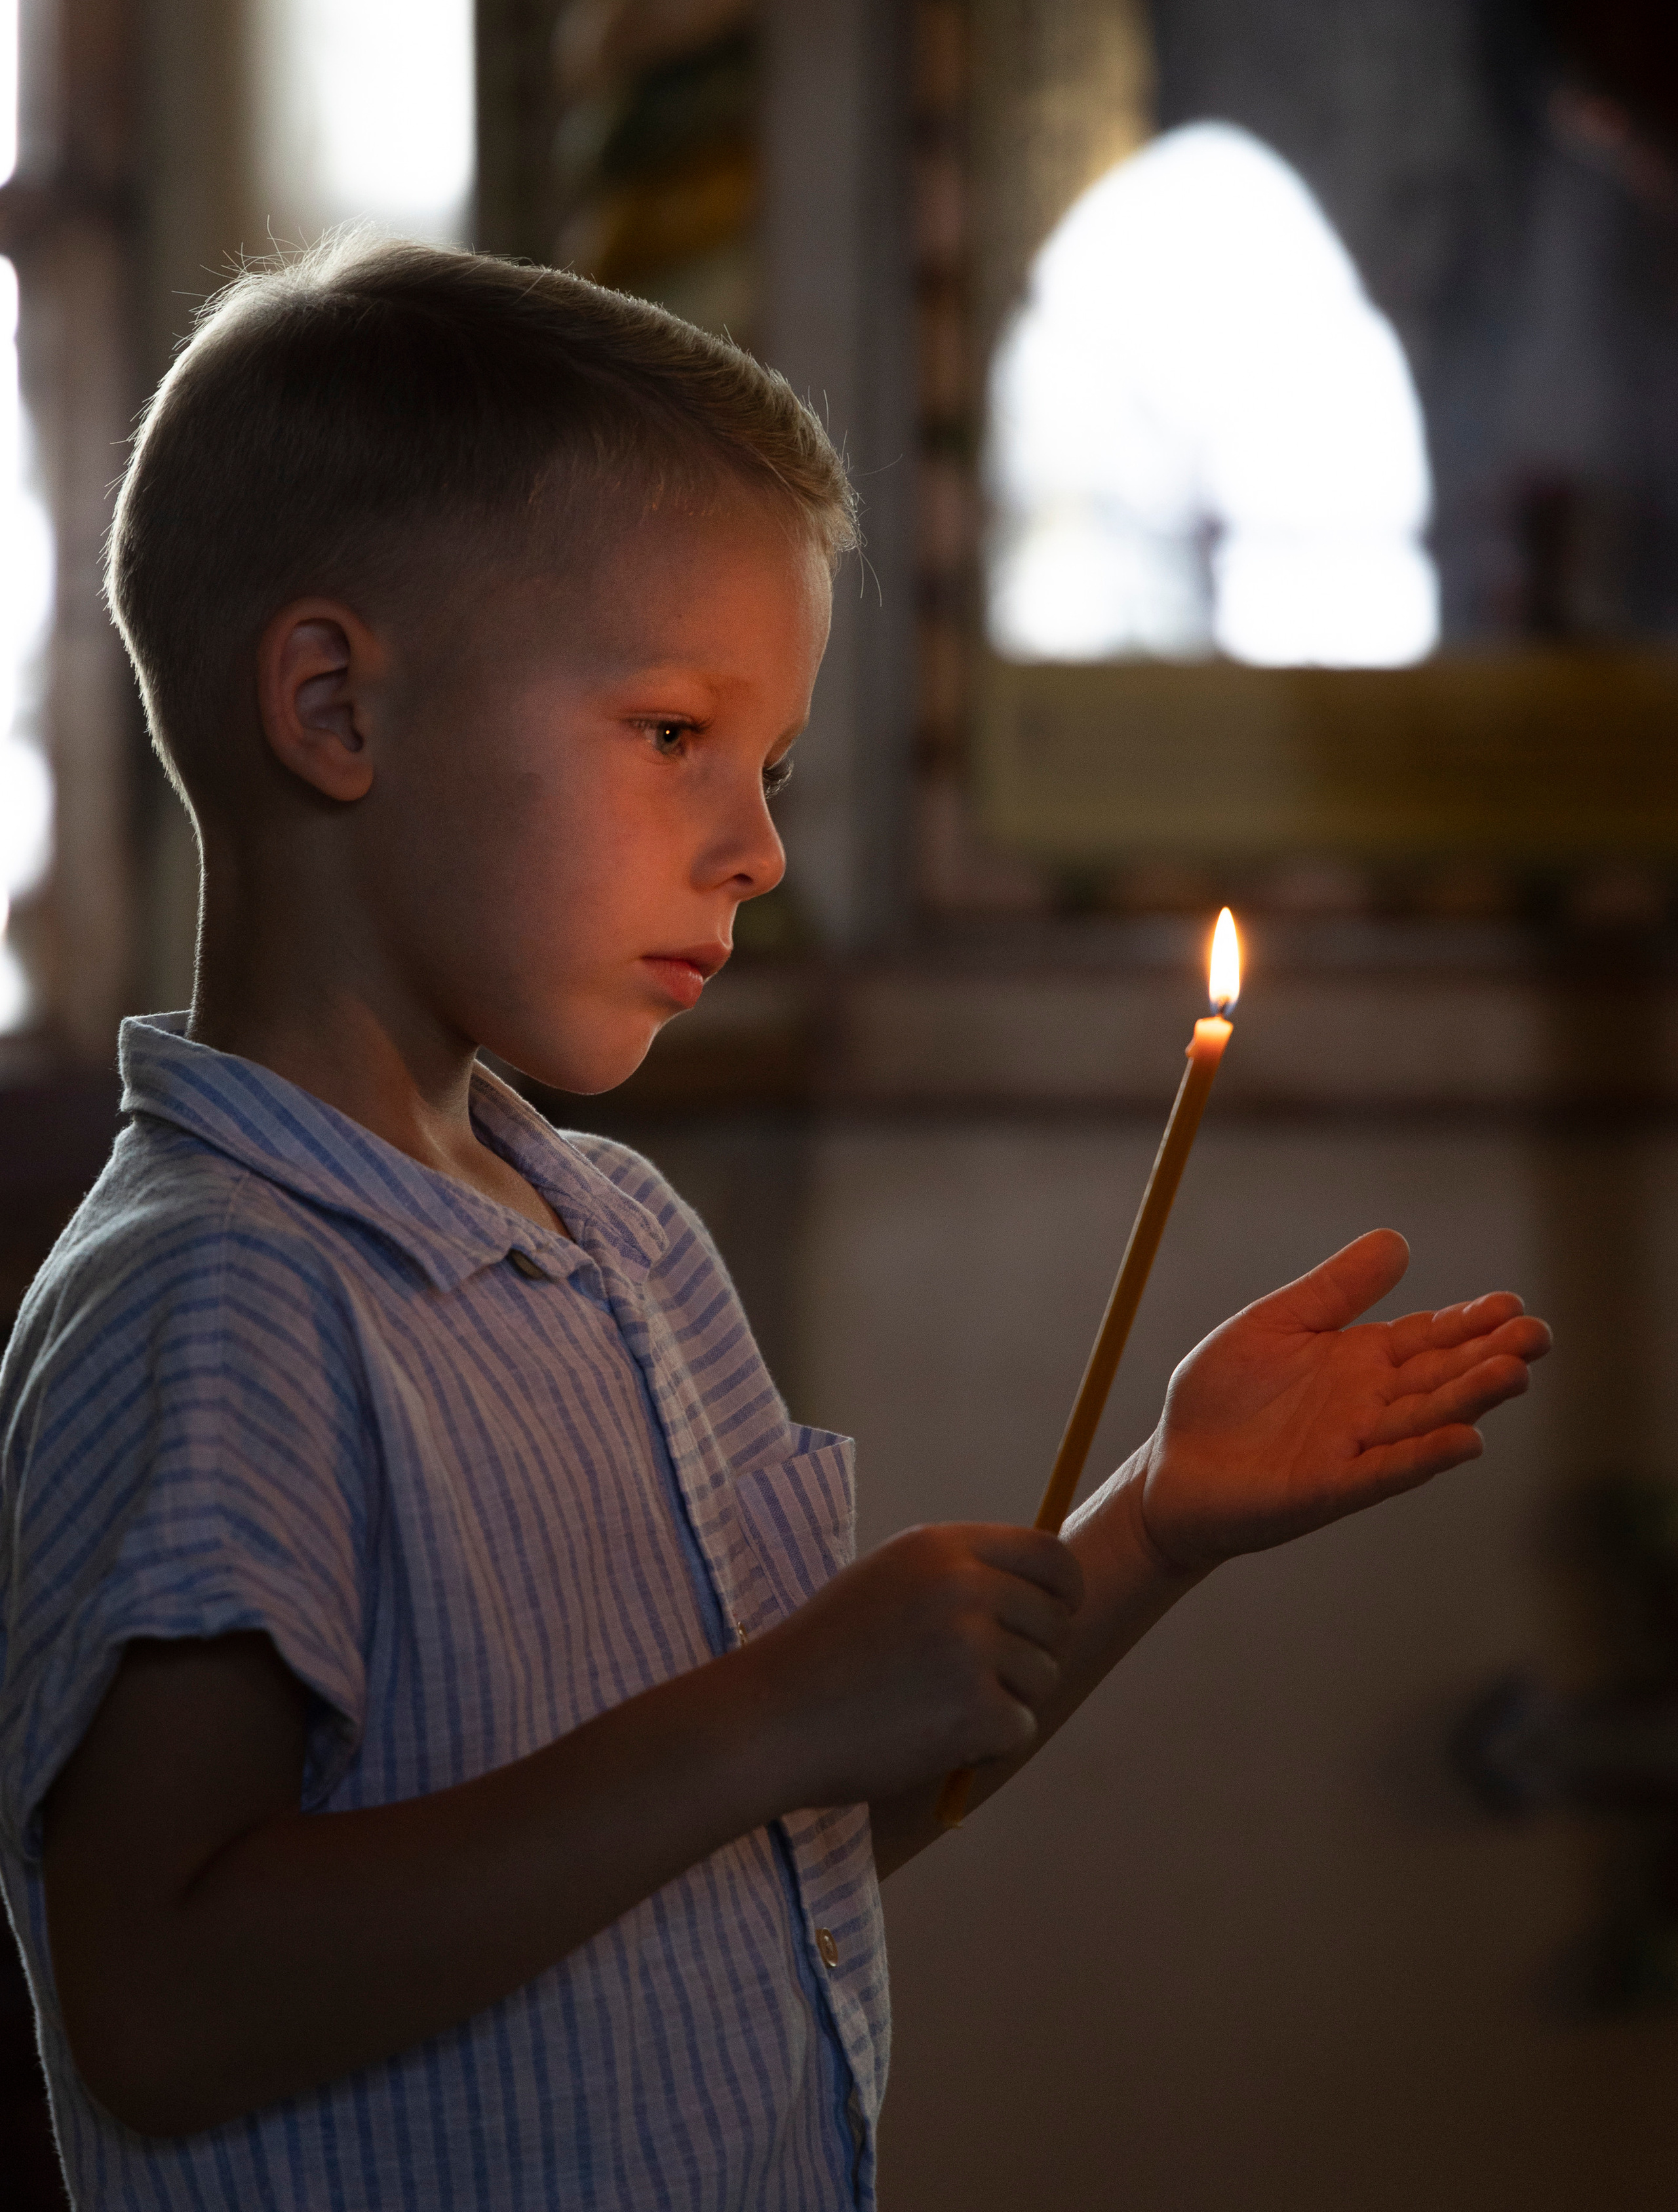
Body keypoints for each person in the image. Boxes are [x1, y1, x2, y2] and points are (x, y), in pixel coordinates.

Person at [0, 237, 1550, 2212]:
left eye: (777, 766)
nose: (757, 848)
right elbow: (167, 2003)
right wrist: (767, 1713)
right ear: (334, 704)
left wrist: (1153, 1521)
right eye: (674, 733)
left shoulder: (624, 1243)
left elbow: (769, 1837)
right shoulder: (219, 1293)